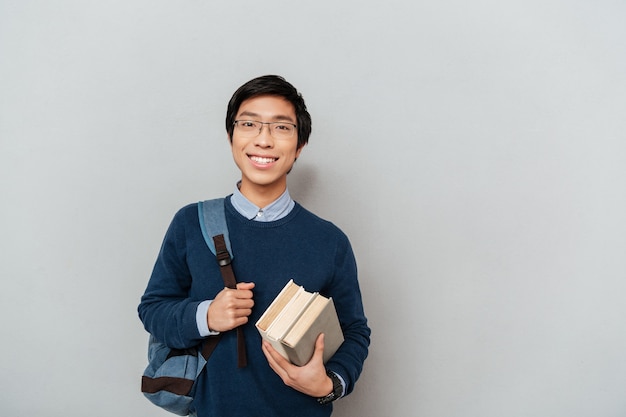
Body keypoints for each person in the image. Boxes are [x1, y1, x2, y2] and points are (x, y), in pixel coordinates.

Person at [138, 75, 370, 417]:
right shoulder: (190, 223)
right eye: (248, 124)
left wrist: (329, 384)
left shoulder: (329, 241)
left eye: (281, 127)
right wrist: (206, 316)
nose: (263, 140)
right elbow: (153, 309)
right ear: (232, 135)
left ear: (300, 145)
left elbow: (354, 332)